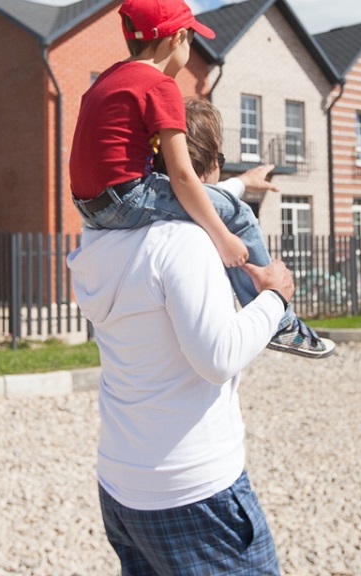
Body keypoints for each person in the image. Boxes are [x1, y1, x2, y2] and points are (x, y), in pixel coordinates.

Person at [67, 95, 300, 575]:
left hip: (122, 485)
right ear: (208, 165)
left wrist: (240, 182)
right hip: (194, 493)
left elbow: (173, 196)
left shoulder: (98, 241)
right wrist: (274, 297)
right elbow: (216, 357)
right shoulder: (186, 243)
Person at [69, 0, 332, 358]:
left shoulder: (108, 80)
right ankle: (278, 319)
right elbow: (182, 176)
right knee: (236, 213)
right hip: (128, 197)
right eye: (191, 39)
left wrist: (239, 182)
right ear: (178, 38)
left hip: (90, 206)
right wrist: (223, 237)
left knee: (215, 201)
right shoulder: (160, 86)